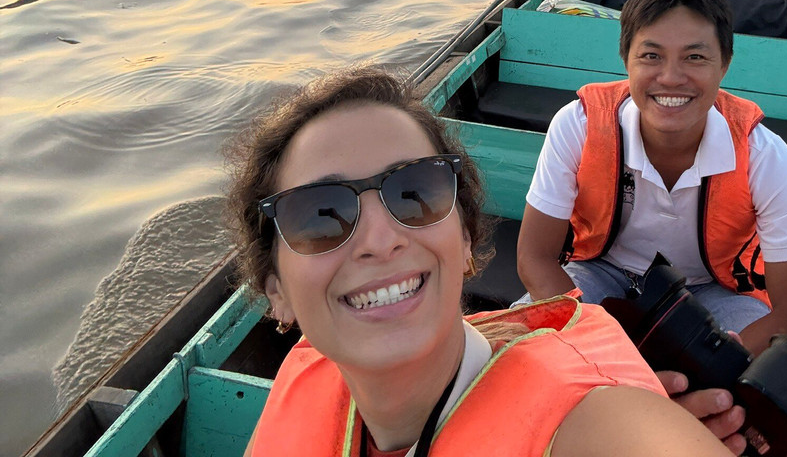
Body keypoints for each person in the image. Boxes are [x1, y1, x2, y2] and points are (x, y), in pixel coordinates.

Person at [225, 65, 740, 457]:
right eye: (320, 215)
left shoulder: (598, 428)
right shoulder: (310, 378)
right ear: (277, 292)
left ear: (466, 242)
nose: (379, 240)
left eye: (415, 191)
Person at [517, 0, 787, 355]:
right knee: (528, 344)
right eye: (651, 56)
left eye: (695, 57)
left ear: (724, 65)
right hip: (598, 272)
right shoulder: (578, 125)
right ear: (625, 59)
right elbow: (536, 257)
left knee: (753, 384)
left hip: (716, 290)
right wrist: (602, 347)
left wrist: (716, 361)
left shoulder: (766, 158)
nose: (671, 78)